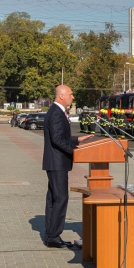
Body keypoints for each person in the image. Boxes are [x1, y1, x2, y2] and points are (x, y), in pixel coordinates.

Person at [42, 85, 94, 248]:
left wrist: (77, 140)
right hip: (57, 163)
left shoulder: (55, 111)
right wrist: (73, 150)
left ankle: (51, 234)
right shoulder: (57, 113)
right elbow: (57, 139)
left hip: (55, 162)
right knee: (61, 198)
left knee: (53, 198)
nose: (73, 97)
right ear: (62, 96)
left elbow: (60, 136)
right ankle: (54, 236)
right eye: (71, 94)